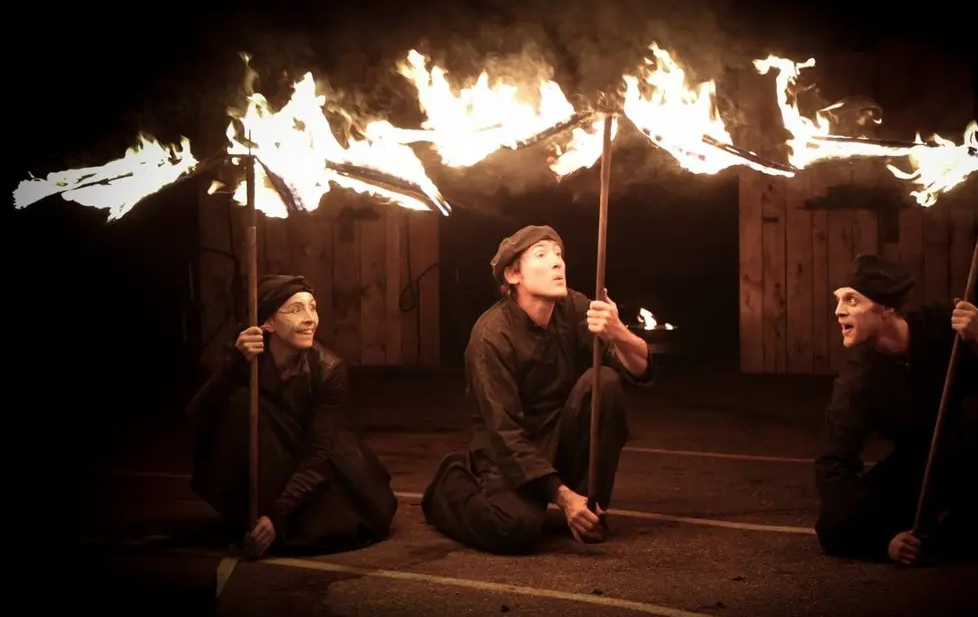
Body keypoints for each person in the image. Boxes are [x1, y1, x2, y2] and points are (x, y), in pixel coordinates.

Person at [421, 224, 654, 554]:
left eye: (559, 254)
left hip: (560, 436)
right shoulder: (491, 336)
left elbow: (639, 370)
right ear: (513, 274)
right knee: (513, 529)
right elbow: (505, 433)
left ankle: (589, 507)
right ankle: (450, 486)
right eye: (541, 255)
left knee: (604, 382)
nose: (557, 262)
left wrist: (619, 332)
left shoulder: (572, 307)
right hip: (510, 450)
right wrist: (561, 494)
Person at [813, 253, 978, 566]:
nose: (838, 311)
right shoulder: (858, 378)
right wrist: (881, 540)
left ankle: (968, 509)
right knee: (833, 527)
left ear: (886, 308)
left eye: (851, 300)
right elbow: (832, 461)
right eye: (838, 299)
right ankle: (925, 517)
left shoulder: (946, 324)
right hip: (921, 463)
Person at [184, 274, 397, 559]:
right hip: (266, 456)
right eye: (296, 309)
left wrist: (276, 517)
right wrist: (235, 363)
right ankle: (246, 515)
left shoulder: (328, 369)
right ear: (268, 323)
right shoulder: (244, 353)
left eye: (313, 307)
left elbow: (316, 456)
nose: (310, 318)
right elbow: (197, 417)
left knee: (328, 522)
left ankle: (268, 522)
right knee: (239, 406)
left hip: (311, 458)